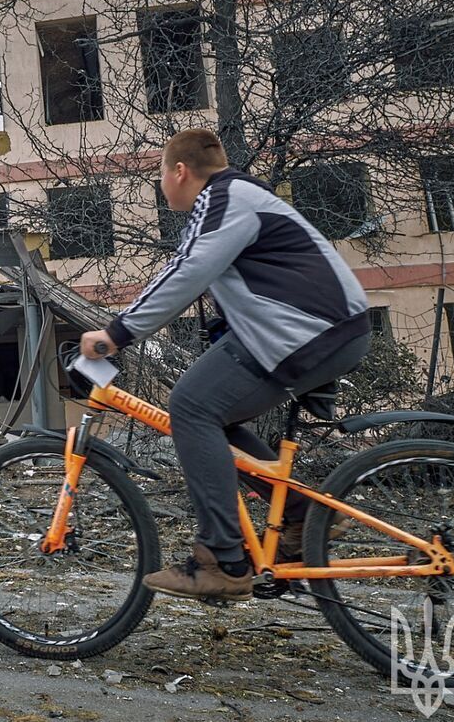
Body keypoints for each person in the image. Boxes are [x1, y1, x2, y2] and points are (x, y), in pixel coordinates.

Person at [80, 128, 371, 601]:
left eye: (160, 173)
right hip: (317, 330)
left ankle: (223, 560)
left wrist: (116, 333)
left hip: (310, 332)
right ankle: (301, 513)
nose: (161, 184)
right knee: (216, 418)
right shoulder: (237, 196)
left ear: (179, 170)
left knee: (191, 406)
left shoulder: (225, 197)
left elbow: (188, 270)